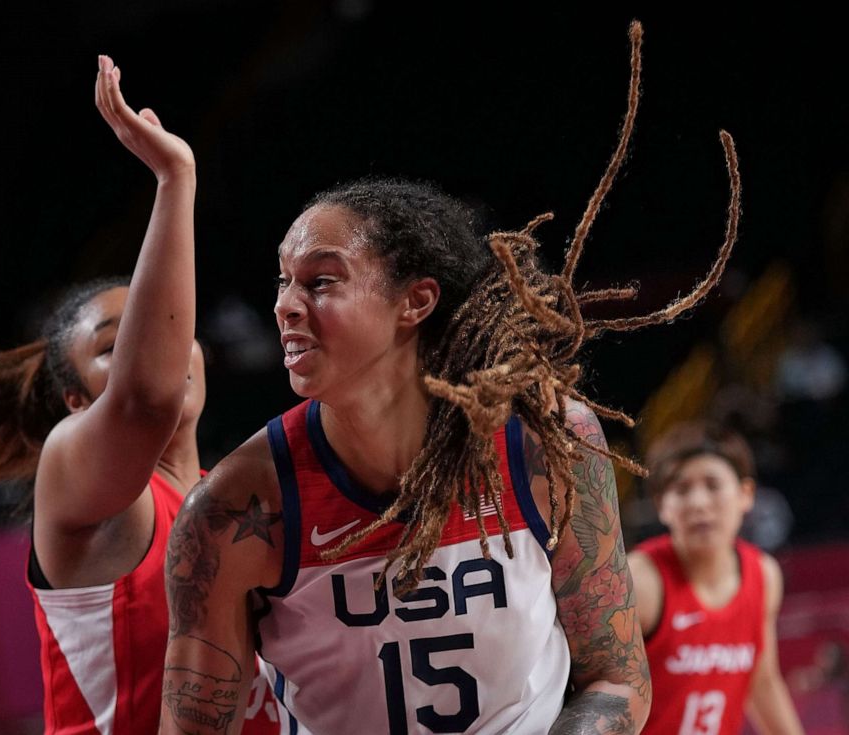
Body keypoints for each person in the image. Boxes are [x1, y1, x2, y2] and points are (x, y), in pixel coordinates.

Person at [160, 22, 741, 735]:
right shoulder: (234, 506)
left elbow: (616, 677)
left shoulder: (545, 441)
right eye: (283, 282)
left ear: (416, 300)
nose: (285, 304)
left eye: (321, 280)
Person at [0, 56, 276, 734]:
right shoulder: (75, 477)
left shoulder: (236, 497)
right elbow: (144, 399)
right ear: (76, 402)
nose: (161, 348)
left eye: (169, 329)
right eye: (116, 346)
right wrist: (175, 180)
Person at [629, 423, 804, 734]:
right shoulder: (640, 582)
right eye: (681, 489)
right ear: (661, 506)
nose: (698, 503)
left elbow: (762, 682)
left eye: (712, 484)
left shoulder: (764, 575)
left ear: (746, 494)